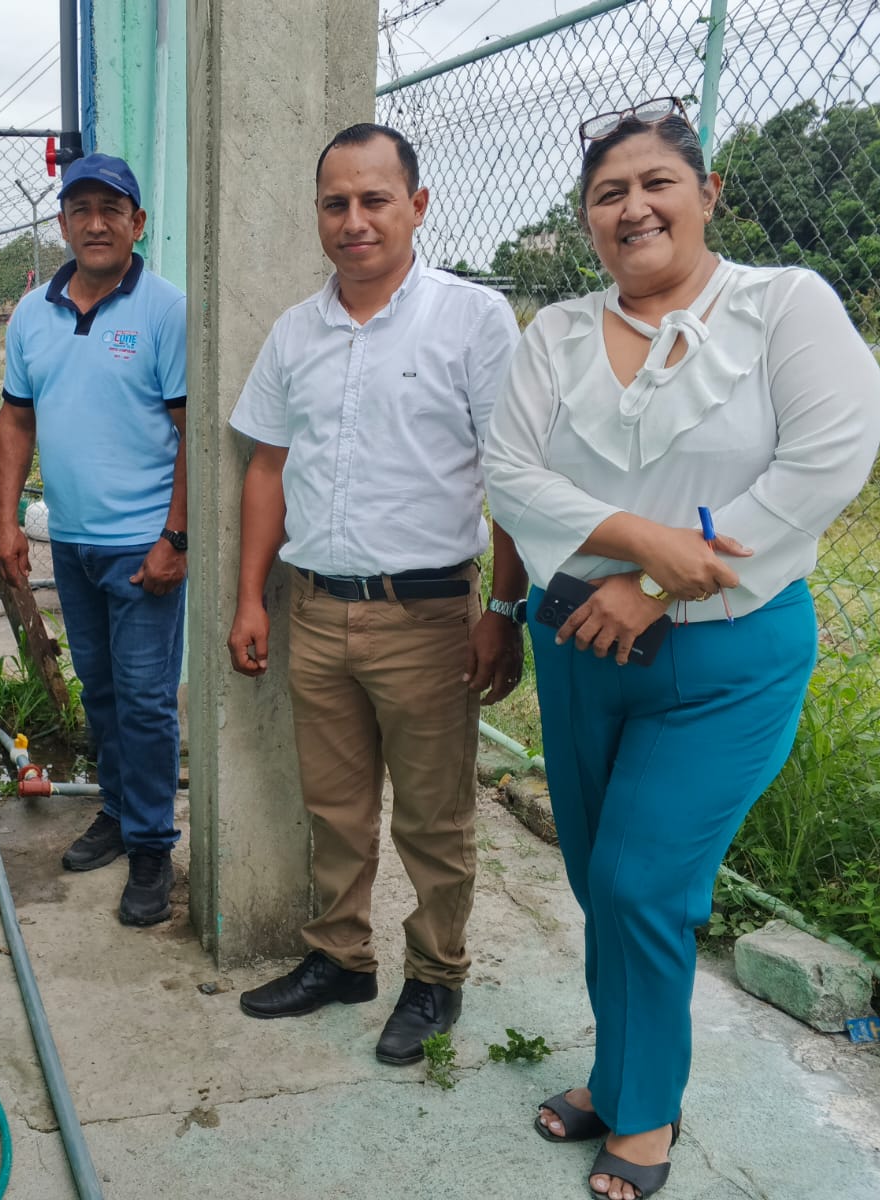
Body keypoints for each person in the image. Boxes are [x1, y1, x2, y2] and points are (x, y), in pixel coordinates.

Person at [483, 98, 880, 1200]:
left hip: (725, 659)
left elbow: (823, 464)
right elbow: (509, 472)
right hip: (578, 645)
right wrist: (641, 539)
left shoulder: (783, 306)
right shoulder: (557, 335)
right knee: (597, 881)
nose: (634, 207)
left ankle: (645, 1110)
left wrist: (657, 584)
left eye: (656, 182)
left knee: (643, 881)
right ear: (587, 218)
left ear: (707, 194)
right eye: (607, 193)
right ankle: (619, 1075)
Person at [227, 123, 527, 1064]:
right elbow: (267, 468)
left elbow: (512, 477)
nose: (353, 221)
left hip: (429, 618)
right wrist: (251, 599)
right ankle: (340, 957)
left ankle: (435, 976)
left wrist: (503, 611)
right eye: (335, 203)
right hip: (316, 610)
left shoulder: (472, 320)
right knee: (335, 807)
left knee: (435, 818)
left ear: (417, 206)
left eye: (374, 200)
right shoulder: (296, 331)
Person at [0, 154, 189, 927]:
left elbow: (191, 433)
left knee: (144, 700)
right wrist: (7, 521)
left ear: (137, 223)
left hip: (143, 547)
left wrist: (175, 537)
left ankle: (152, 847)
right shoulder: (30, 315)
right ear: (63, 223)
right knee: (101, 692)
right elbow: (16, 419)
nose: (96, 223)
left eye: (113, 209)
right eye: (81, 210)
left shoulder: (166, 311)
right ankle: (117, 810)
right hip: (72, 544)